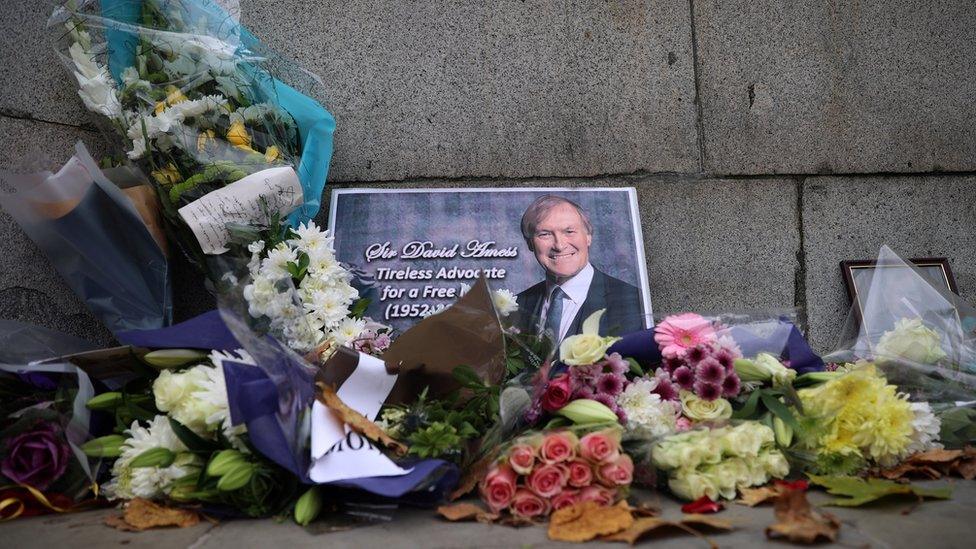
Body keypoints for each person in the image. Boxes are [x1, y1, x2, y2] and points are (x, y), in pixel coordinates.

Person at [514, 195, 644, 343]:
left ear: (588, 236)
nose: (559, 245)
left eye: (569, 231)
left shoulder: (632, 301)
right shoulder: (517, 305)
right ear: (529, 243)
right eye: (545, 234)